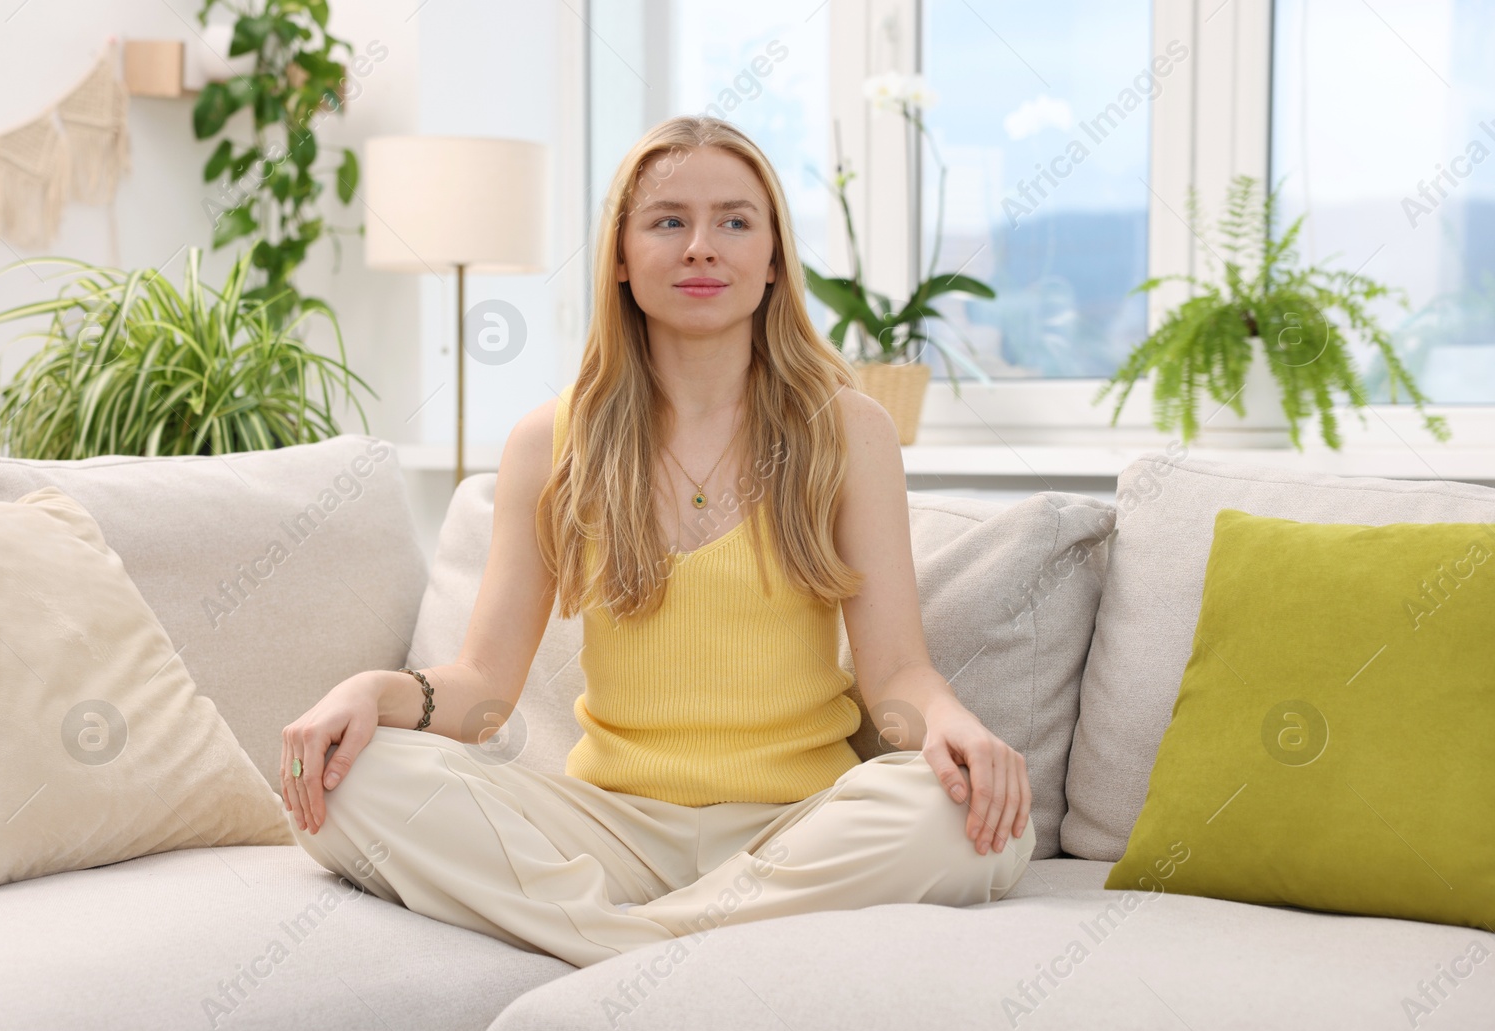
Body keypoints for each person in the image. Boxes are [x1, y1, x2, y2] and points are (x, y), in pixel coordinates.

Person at [280, 114, 1034, 969]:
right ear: (623, 256)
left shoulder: (849, 431)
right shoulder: (550, 440)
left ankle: (619, 946)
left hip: (795, 826)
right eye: (669, 220)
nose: (702, 247)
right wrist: (371, 691)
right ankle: (683, 941)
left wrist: (952, 722)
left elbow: (896, 675)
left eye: (736, 221)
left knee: (972, 825)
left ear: (775, 258)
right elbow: (483, 690)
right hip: (609, 827)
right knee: (348, 789)